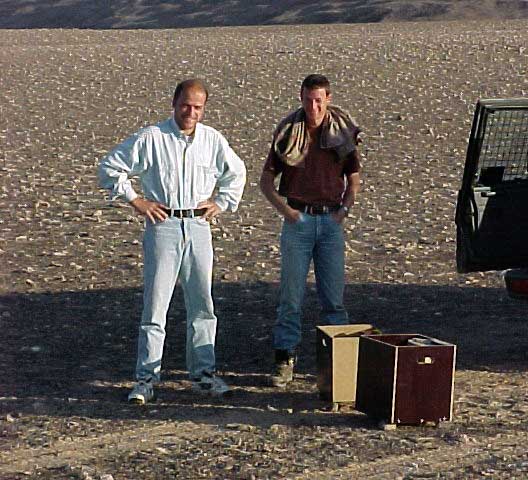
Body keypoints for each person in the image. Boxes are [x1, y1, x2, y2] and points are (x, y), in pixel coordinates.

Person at [98, 79, 246, 404]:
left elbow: (236, 173)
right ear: (174, 103)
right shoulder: (152, 137)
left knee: (203, 305)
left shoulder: (212, 140)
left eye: (197, 107)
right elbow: (110, 167)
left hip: (198, 226)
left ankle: (204, 375)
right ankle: (146, 379)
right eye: (185, 105)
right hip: (163, 226)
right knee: (155, 307)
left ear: (204, 109)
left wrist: (221, 202)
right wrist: (137, 201)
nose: (190, 112)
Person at [260, 74, 361, 388]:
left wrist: (344, 211)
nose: (313, 107)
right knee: (291, 298)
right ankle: (285, 359)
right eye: (308, 100)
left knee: (334, 300)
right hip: (298, 222)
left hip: (330, 223)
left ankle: (340, 366)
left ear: (328, 99)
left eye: (319, 100)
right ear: (301, 98)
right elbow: (266, 181)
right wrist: (287, 212)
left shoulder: (341, 134)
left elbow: (354, 178)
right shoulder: (289, 133)